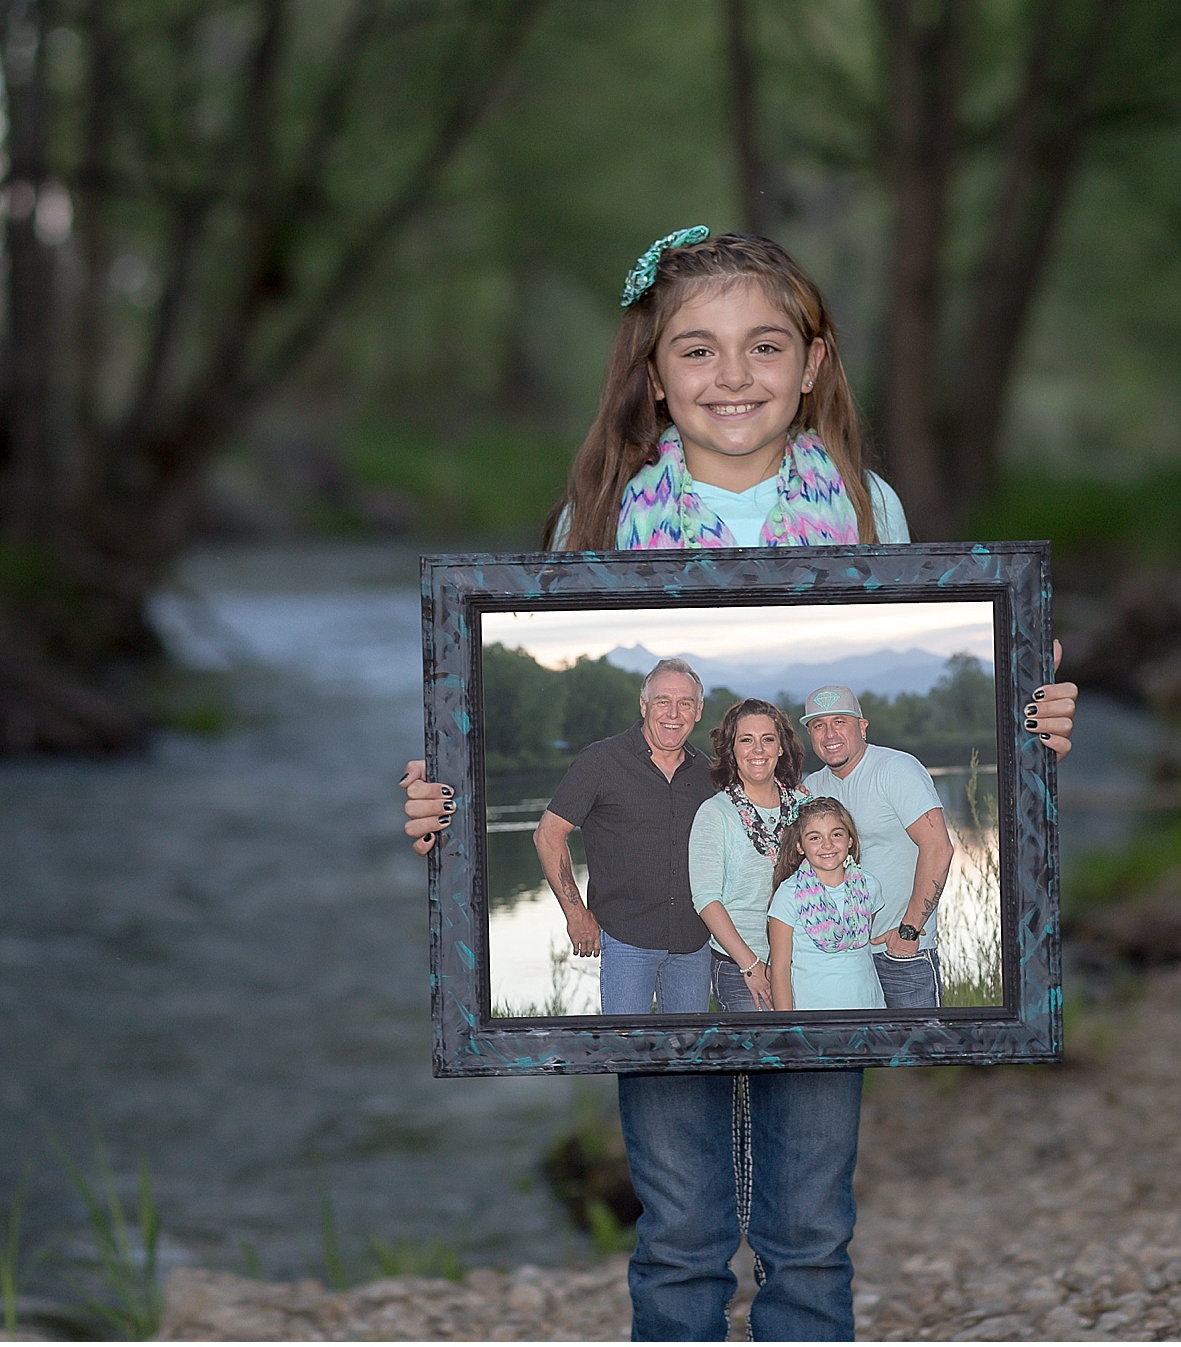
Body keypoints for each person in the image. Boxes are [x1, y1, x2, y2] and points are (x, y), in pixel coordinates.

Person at [401, 223, 1077, 1344]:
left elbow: (944, 687)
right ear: (653, 376)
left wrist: (1031, 724)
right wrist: (440, 808)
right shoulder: (599, 525)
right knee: (676, 1231)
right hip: (662, 941)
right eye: (697, 351)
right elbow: (472, 743)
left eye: (764, 347)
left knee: (810, 1223)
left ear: (811, 364)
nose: (732, 377)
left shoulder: (871, 511)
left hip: (821, 942)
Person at [535, 659, 719, 1014]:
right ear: (644, 705)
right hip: (626, 940)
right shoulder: (601, 761)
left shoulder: (707, 772)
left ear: (698, 711)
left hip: (693, 942)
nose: (673, 713)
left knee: (688, 1059)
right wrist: (576, 914)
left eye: (685, 703)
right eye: (663, 700)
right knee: (628, 1051)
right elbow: (548, 834)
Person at [795, 692, 953, 1012]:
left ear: (862, 726)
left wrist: (909, 932)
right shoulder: (813, 787)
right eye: (818, 725)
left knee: (918, 1056)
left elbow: (939, 848)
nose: (830, 734)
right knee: (852, 1057)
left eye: (840, 722)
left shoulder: (896, 769)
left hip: (901, 954)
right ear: (809, 734)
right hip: (845, 961)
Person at [687, 700, 809, 1015]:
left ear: (781, 748)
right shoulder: (715, 813)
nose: (758, 749)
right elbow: (706, 899)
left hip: (805, 961)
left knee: (811, 1058)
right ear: (732, 750)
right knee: (764, 1059)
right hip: (741, 966)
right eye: (746, 740)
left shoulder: (805, 808)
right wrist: (751, 965)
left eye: (767, 739)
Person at [765, 802, 883, 1012]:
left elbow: (863, 949)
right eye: (814, 838)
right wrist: (787, 1025)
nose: (827, 845)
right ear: (800, 846)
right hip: (813, 1018)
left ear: (850, 840)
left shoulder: (869, 886)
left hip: (869, 1011)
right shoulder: (788, 894)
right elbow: (780, 969)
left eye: (836, 834)